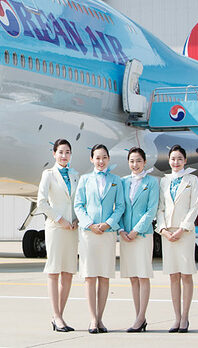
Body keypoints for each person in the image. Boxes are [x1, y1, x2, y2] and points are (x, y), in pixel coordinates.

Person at [74, 144, 125, 334]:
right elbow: (78, 205)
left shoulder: (116, 180)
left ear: (109, 159)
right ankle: (92, 319)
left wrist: (108, 224)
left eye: (104, 157)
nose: (101, 161)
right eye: (97, 157)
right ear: (91, 159)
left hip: (107, 233)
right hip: (89, 233)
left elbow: (120, 206)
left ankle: (100, 318)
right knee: (90, 276)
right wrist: (89, 224)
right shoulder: (85, 180)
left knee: (104, 276)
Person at [156, 145, 198, 333]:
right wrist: (163, 229)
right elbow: (160, 208)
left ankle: (185, 317)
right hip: (168, 233)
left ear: (185, 161)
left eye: (179, 159)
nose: (176, 162)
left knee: (186, 274)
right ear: (169, 160)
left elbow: (194, 206)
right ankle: (176, 317)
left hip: (185, 233)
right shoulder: (164, 181)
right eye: (173, 159)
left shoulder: (192, 180)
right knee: (173, 276)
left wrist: (182, 228)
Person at [36, 138, 79, 332]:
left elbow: (78, 202)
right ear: (54, 154)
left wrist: (77, 218)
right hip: (56, 227)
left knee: (68, 272)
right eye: (61, 152)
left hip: (72, 229)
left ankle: (58, 315)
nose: (64, 155)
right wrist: (60, 219)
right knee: (54, 271)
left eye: (67, 152)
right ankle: (57, 316)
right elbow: (42, 203)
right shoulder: (49, 174)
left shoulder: (76, 175)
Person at [118, 147, 159, 333]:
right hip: (126, 235)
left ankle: (141, 317)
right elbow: (118, 207)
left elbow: (151, 210)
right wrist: (120, 229)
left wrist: (136, 230)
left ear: (145, 162)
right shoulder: (122, 182)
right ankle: (138, 318)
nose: (135, 165)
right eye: (132, 161)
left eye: (138, 161)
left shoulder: (152, 182)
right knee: (133, 278)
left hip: (142, 235)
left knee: (143, 276)